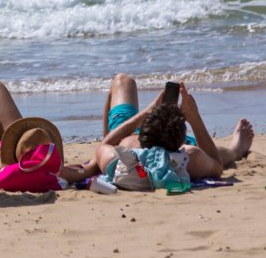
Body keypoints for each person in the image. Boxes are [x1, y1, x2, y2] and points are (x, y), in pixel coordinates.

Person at [94, 73, 254, 180]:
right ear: (181, 142)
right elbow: (216, 164)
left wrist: (145, 113)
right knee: (208, 150)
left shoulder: (124, 147)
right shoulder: (189, 155)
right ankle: (234, 151)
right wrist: (194, 118)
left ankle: (234, 150)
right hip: (159, 138)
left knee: (122, 81)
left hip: (125, 132)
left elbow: (105, 144)